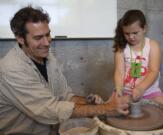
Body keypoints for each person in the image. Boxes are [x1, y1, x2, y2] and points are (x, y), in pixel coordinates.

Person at [0, 6, 130, 135]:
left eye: (48, 34)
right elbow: (51, 110)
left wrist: (88, 102)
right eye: (38, 38)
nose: (46, 43)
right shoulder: (12, 69)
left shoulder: (47, 56)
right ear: (20, 39)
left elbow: (64, 96)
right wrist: (107, 108)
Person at [113, 9, 163, 107]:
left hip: (150, 92)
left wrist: (141, 88)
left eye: (135, 33)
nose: (131, 37)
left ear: (144, 28)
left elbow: (154, 71)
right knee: (106, 110)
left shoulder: (153, 46)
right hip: (126, 92)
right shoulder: (121, 47)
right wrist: (119, 88)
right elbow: (119, 71)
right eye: (127, 33)